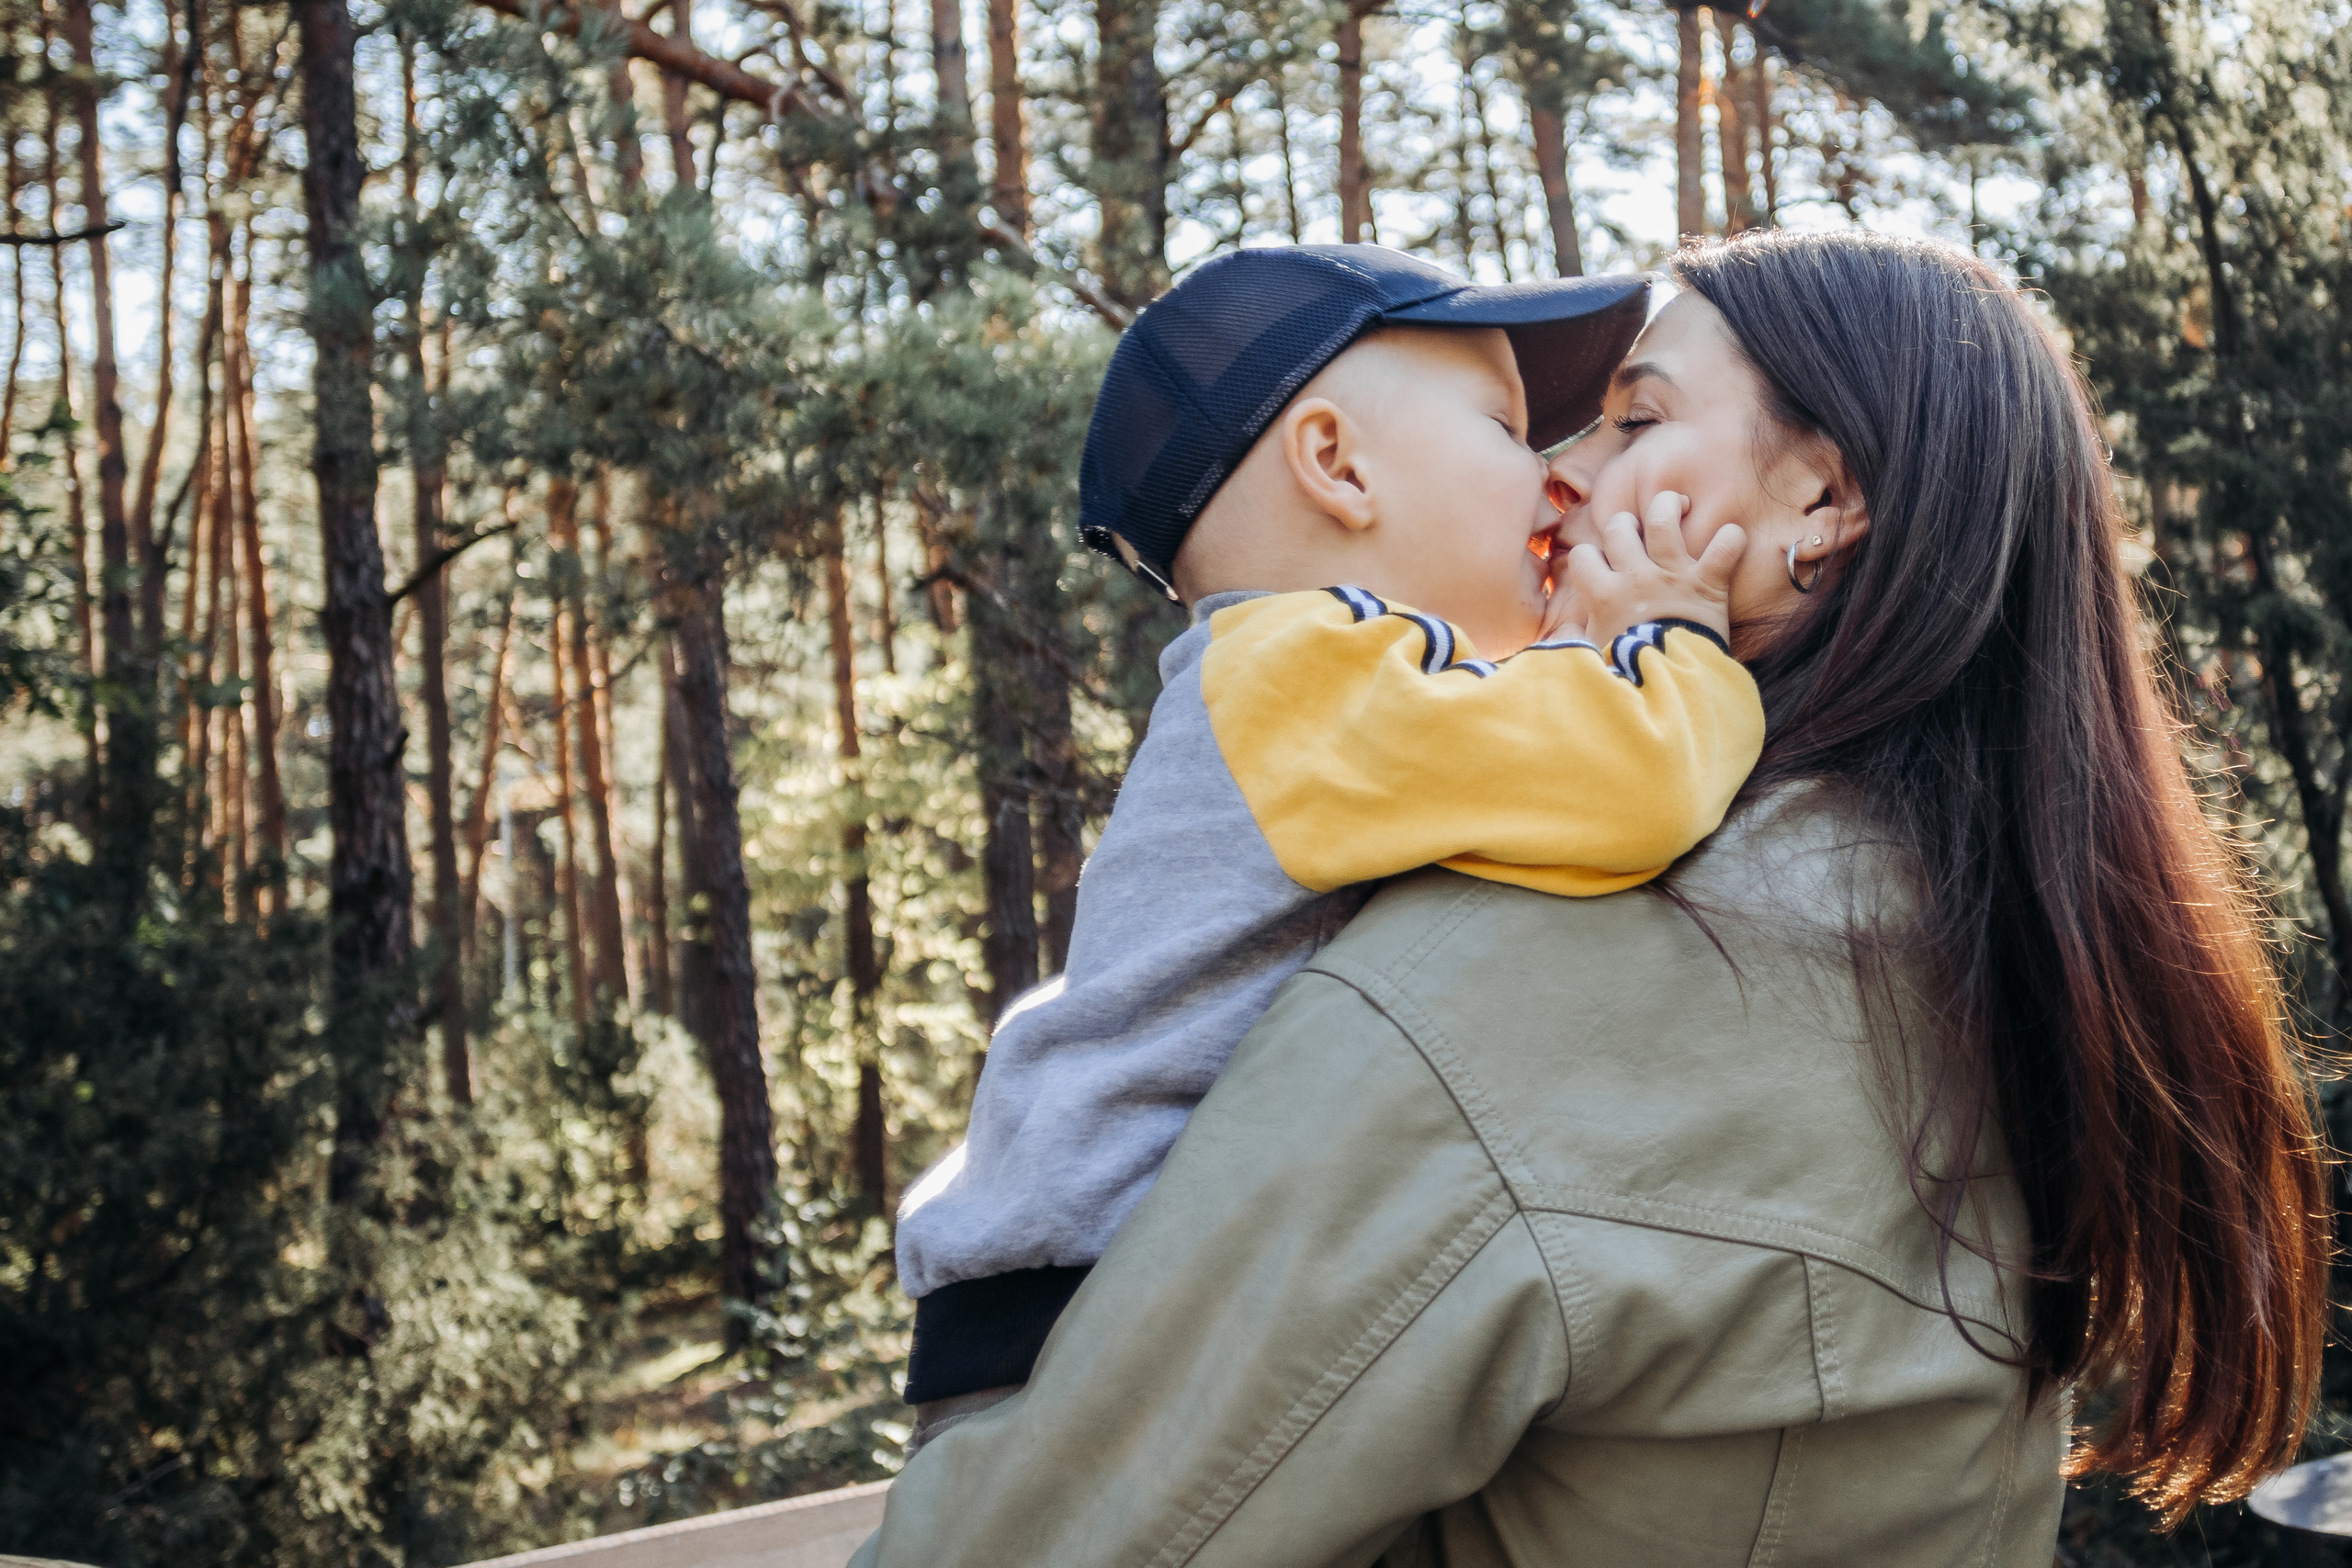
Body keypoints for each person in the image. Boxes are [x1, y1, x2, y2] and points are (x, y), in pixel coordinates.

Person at [852, 231, 2329, 1566]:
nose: (1562, 472)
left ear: (1820, 499)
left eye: (1632, 419)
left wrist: (1651, 645)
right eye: (1537, 429)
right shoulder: (1984, 943)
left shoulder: (1526, 980)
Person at [892, 243, 1765, 1447]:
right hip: (1078, 1308)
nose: (1561, 484)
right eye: (1510, 432)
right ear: (1337, 465)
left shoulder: (1327, 693)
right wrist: (1671, 638)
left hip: (1108, 1282)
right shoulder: (1299, 669)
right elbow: (1639, 787)